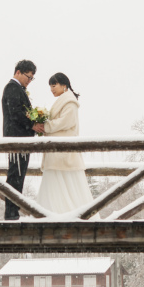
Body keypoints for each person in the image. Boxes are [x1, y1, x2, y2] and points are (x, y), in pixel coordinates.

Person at [35, 73, 94, 214]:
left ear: (64, 85)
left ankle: (62, 214)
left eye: (54, 86)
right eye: (50, 86)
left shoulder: (69, 102)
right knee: (57, 183)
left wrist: (46, 126)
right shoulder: (64, 100)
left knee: (66, 182)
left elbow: (67, 122)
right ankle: (52, 214)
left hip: (63, 151)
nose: (51, 89)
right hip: (58, 151)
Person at [1, 60, 44, 220]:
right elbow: (15, 113)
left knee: (18, 174)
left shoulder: (18, 89)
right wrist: (32, 124)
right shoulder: (12, 88)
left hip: (20, 138)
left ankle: (13, 211)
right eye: (28, 76)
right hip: (16, 138)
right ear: (18, 72)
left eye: (32, 78)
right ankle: (11, 213)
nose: (30, 80)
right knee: (16, 175)